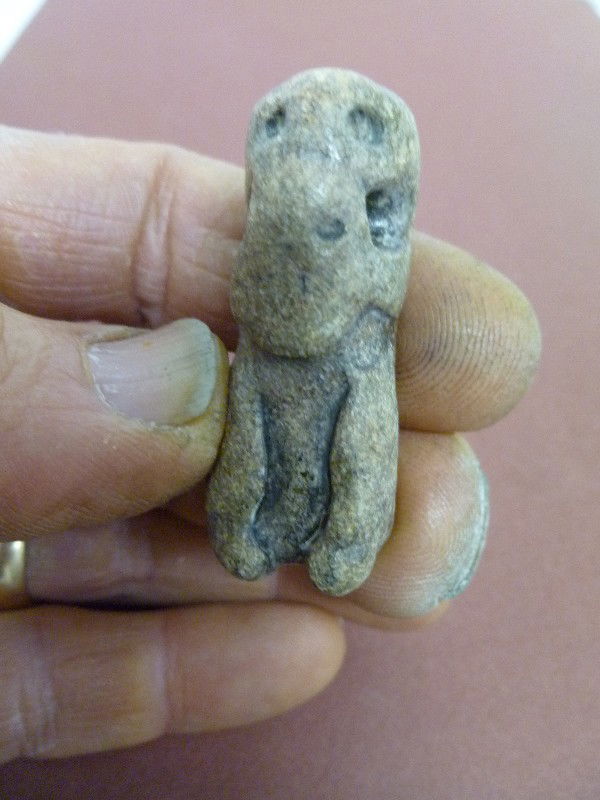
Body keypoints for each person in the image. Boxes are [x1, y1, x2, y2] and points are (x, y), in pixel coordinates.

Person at [0, 126, 541, 763]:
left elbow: (362, 456)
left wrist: (348, 537)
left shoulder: (364, 350)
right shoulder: (260, 344)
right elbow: (248, 440)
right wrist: (239, 523)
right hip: (253, 511)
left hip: (318, 507)